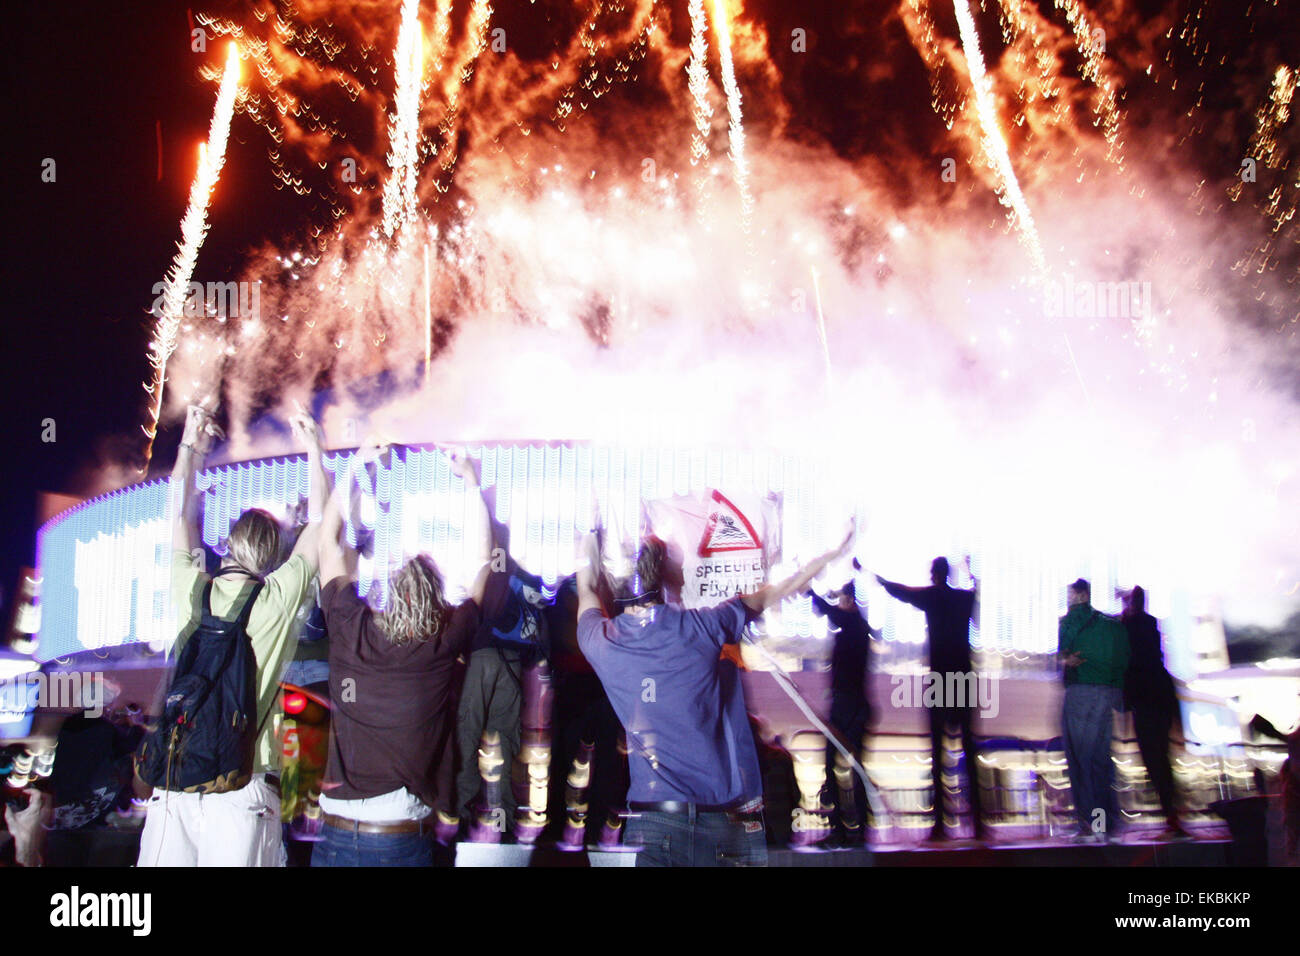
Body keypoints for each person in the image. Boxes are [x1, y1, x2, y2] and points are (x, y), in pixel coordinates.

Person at [576, 521, 854, 867]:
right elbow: (777, 590)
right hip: (727, 821)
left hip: (657, 821)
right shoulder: (701, 627)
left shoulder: (601, 642)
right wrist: (831, 553)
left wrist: (587, 528)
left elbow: (586, 585)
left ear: (613, 583)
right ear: (663, 579)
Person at [136, 403, 326, 867]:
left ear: (227, 544)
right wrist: (315, 448)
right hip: (240, 785)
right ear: (273, 554)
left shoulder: (190, 588)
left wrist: (189, 449)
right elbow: (322, 524)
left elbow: (177, 514)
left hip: (174, 787)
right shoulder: (274, 601)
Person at [312, 445, 490, 867]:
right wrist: (471, 482)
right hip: (397, 838)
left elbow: (326, 541)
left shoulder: (350, 626)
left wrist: (354, 468)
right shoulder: (441, 644)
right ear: (437, 599)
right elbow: (482, 565)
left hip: (333, 831)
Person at [876, 556, 984, 842]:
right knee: (968, 749)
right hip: (963, 677)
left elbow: (903, 591)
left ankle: (940, 823)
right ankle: (978, 820)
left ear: (933, 574)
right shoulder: (963, 599)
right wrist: (972, 574)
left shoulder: (932, 597)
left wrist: (879, 579)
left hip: (939, 678)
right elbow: (976, 594)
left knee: (938, 750)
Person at [1058, 578, 1130, 843]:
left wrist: (1064, 658)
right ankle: (1106, 822)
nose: (1068, 599)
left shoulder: (1072, 619)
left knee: (1081, 761)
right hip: (1107, 694)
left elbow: (1064, 651)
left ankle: (1090, 824)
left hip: (1081, 694)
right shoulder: (1113, 626)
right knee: (1101, 761)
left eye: (1070, 594)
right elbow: (1124, 662)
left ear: (1080, 595)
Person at [809, 577, 874, 844]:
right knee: (854, 766)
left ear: (849, 600)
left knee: (835, 764)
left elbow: (829, 611)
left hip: (847, 705)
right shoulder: (859, 626)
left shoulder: (852, 624)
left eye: (842, 599)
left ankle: (841, 828)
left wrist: (809, 592)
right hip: (854, 704)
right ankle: (859, 827)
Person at [1121, 586, 1187, 838]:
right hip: (1159, 701)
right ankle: (1173, 816)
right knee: (1162, 761)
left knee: (1154, 761)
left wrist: (1126, 710)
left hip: (1145, 705)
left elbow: (1129, 665)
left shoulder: (1132, 630)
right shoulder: (1150, 630)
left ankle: (1171, 816)